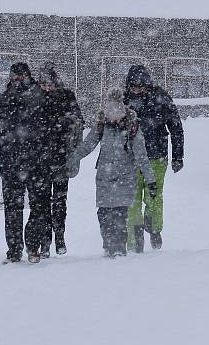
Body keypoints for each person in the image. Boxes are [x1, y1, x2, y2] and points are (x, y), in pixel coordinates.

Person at [68, 88, 156, 258]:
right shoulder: (101, 124)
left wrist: (150, 179)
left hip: (125, 178)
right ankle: (108, 245)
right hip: (104, 178)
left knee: (119, 216)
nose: (113, 114)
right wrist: (70, 161)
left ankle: (118, 248)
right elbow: (87, 145)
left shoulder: (132, 126)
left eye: (117, 109)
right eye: (109, 110)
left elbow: (141, 155)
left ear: (123, 108)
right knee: (103, 214)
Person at [0, 62, 50, 264]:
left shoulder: (41, 100)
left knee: (38, 208)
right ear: (10, 78)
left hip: (37, 163)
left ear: (29, 77)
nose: (19, 80)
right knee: (13, 209)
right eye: (15, 77)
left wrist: (53, 158)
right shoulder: (1, 101)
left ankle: (32, 245)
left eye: (22, 77)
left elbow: (54, 130)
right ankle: (14, 250)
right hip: (11, 163)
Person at [123, 65, 184, 252]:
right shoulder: (124, 100)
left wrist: (178, 156)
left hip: (156, 156)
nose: (136, 90)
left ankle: (154, 228)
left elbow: (176, 127)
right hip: (130, 158)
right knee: (132, 199)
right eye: (133, 86)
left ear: (147, 84)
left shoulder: (161, 98)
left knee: (154, 196)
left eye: (140, 86)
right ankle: (134, 237)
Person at [38, 62, 84, 257]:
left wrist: (64, 123)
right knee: (41, 201)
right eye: (44, 84)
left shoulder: (67, 96)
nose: (47, 88)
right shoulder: (35, 98)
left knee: (59, 200)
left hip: (61, 157)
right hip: (40, 159)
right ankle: (45, 240)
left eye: (50, 84)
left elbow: (79, 120)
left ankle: (59, 235)